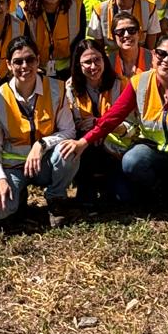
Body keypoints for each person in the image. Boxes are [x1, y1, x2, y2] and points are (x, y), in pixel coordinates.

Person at [81, 33, 168, 206]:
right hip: (152, 149)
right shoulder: (138, 82)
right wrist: (83, 141)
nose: (166, 60)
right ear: (153, 55)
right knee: (131, 161)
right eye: (161, 54)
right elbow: (112, 117)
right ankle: (159, 192)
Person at [0, 37, 82, 227]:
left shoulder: (57, 89)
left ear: (38, 60)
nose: (25, 66)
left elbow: (69, 131)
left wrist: (41, 144)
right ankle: (18, 196)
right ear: (9, 64)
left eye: (30, 59)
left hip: (45, 164)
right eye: (18, 61)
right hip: (13, 167)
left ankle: (56, 199)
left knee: (69, 150)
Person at [67, 36, 137, 207]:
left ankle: (108, 184)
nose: (93, 66)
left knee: (124, 199)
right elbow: (72, 123)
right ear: (78, 65)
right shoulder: (70, 88)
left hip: (116, 148)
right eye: (87, 62)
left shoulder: (122, 84)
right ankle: (86, 186)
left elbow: (133, 125)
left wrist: (104, 126)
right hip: (86, 150)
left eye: (97, 59)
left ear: (104, 59)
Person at [18, 0, 87, 79]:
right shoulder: (24, 10)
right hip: (35, 72)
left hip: (70, 72)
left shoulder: (77, 6)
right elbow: (23, 48)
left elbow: (80, 43)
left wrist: (74, 74)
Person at [110, 12, 154, 77]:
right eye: (120, 32)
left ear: (139, 34)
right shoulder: (108, 62)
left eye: (131, 30)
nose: (126, 35)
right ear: (114, 37)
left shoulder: (154, 58)